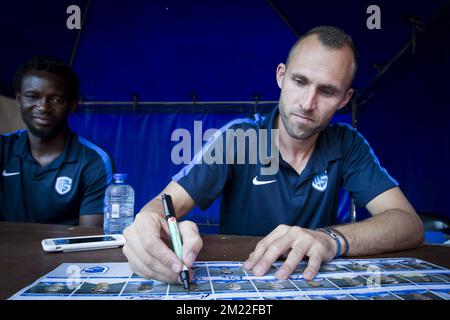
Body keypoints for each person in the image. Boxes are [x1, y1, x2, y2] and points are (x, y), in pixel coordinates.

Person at [122, 26, 424, 284]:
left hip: (311, 281)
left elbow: (408, 224)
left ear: (345, 99)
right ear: (281, 76)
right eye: (300, 81)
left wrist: (330, 239)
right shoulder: (240, 138)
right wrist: (147, 226)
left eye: (327, 91)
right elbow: (162, 207)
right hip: (242, 281)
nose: (307, 103)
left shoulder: (347, 144)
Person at [0, 57, 113, 226]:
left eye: (56, 100)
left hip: (64, 253)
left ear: (72, 104)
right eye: (32, 96)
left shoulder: (93, 161)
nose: (43, 107)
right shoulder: (3, 148)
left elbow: (90, 239)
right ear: (19, 99)